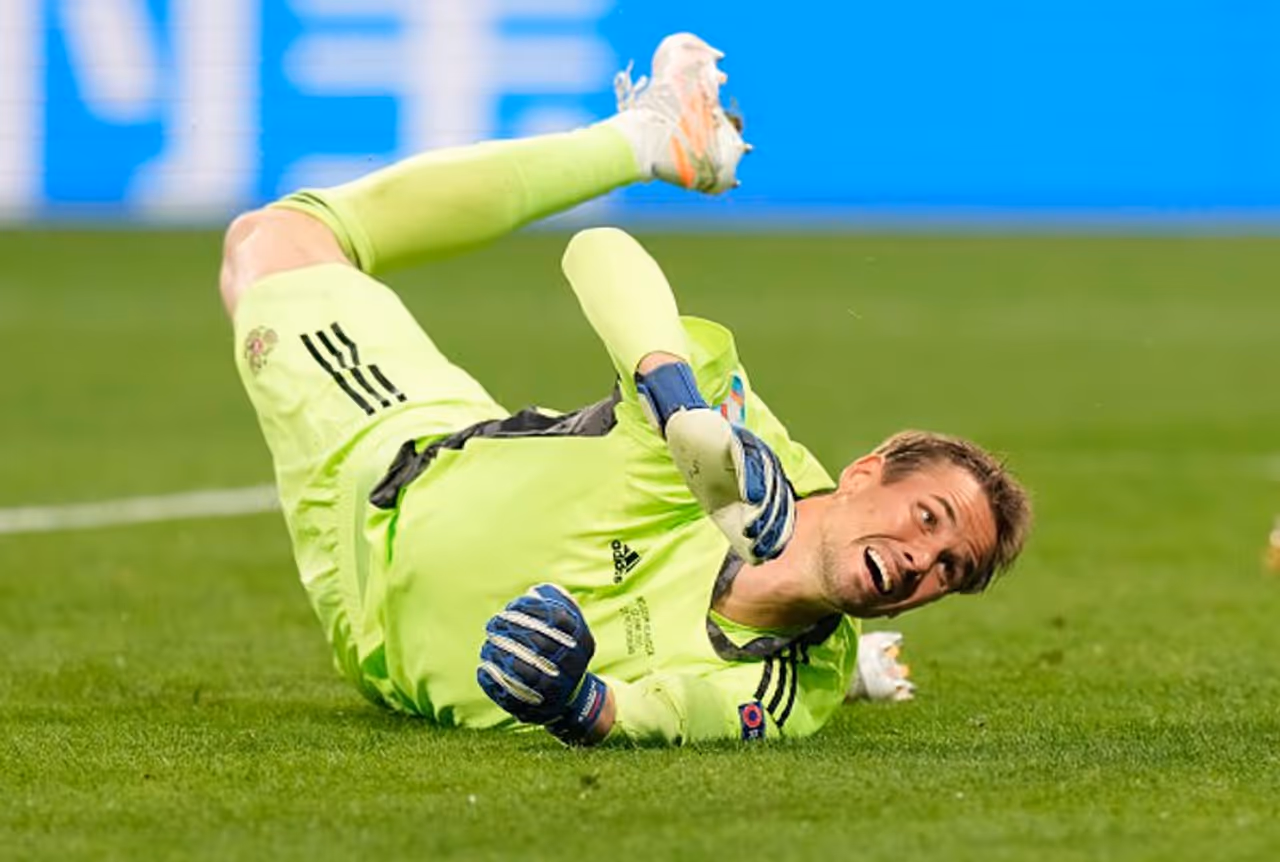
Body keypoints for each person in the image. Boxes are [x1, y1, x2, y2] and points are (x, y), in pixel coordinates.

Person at [221, 33, 1032, 747]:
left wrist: (573, 700)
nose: (922, 559)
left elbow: (650, 715)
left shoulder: (790, 691)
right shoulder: (741, 450)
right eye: (928, 517)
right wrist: (680, 407)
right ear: (865, 472)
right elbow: (600, 252)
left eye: (950, 569)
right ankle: (645, 140)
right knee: (276, 239)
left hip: (373, 646)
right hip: (387, 467)